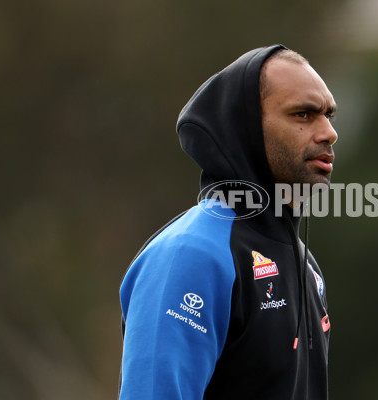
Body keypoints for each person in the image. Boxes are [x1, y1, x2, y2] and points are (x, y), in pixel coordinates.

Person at [119, 44, 338, 399]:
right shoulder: (191, 255)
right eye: (303, 114)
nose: (329, 132)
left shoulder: (304, 263)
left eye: (329, 115)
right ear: (247, 127)